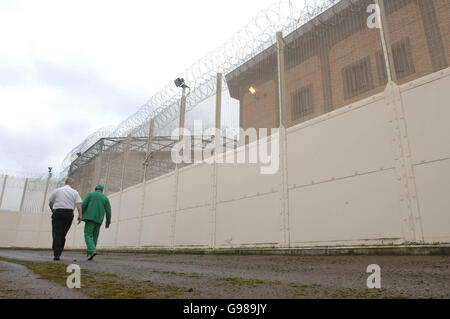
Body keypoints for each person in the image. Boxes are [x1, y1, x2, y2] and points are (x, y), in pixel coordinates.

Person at [48, 178, 82, 261]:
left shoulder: (57, 190)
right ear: (72, 184)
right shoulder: (75, 192)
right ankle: (59, 251)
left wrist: (53, 210)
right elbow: (78, 205)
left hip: (58, 212)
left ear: (65, 183)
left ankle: (56, 253)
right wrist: (80, 215)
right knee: (63, 234)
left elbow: (51, 202)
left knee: (57, 233)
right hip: (69, 213)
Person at [81, 184, 111, 261]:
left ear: (95, 189)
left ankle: (92, 250)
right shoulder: (105, 198)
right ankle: (90, 254)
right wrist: (108, 222)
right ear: (102, 190)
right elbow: (108, 211)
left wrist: (81, 214)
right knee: (95, 236)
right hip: (99, 220)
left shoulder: (90, 195)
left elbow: (83, 205)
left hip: (90, 218)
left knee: (88, 234)